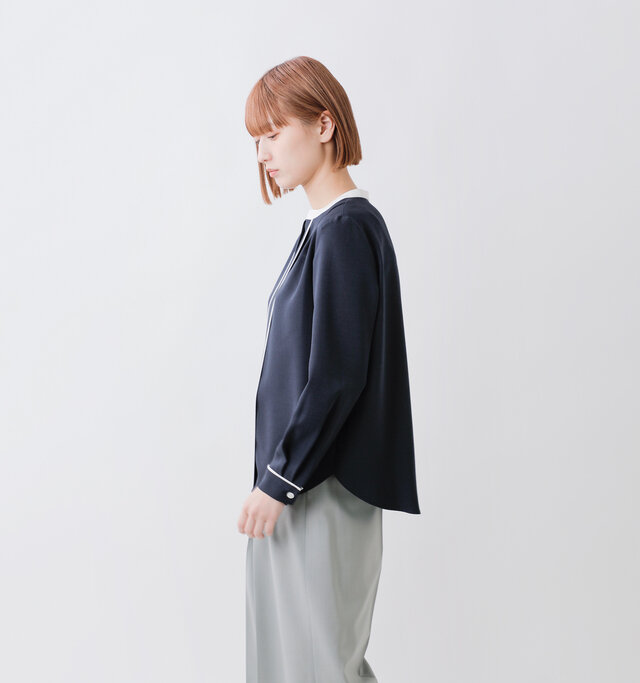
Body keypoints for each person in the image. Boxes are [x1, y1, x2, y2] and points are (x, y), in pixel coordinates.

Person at [237, 56, 421, 683]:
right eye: (256, 139)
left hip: (320, 486)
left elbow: (338, 376)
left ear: (323, 125)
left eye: (273, 132)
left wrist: (279, 480)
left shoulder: (347, 228)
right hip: (299, 485)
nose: (263, 152)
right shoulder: (323, 229)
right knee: (291, 664)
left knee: (316, 666)